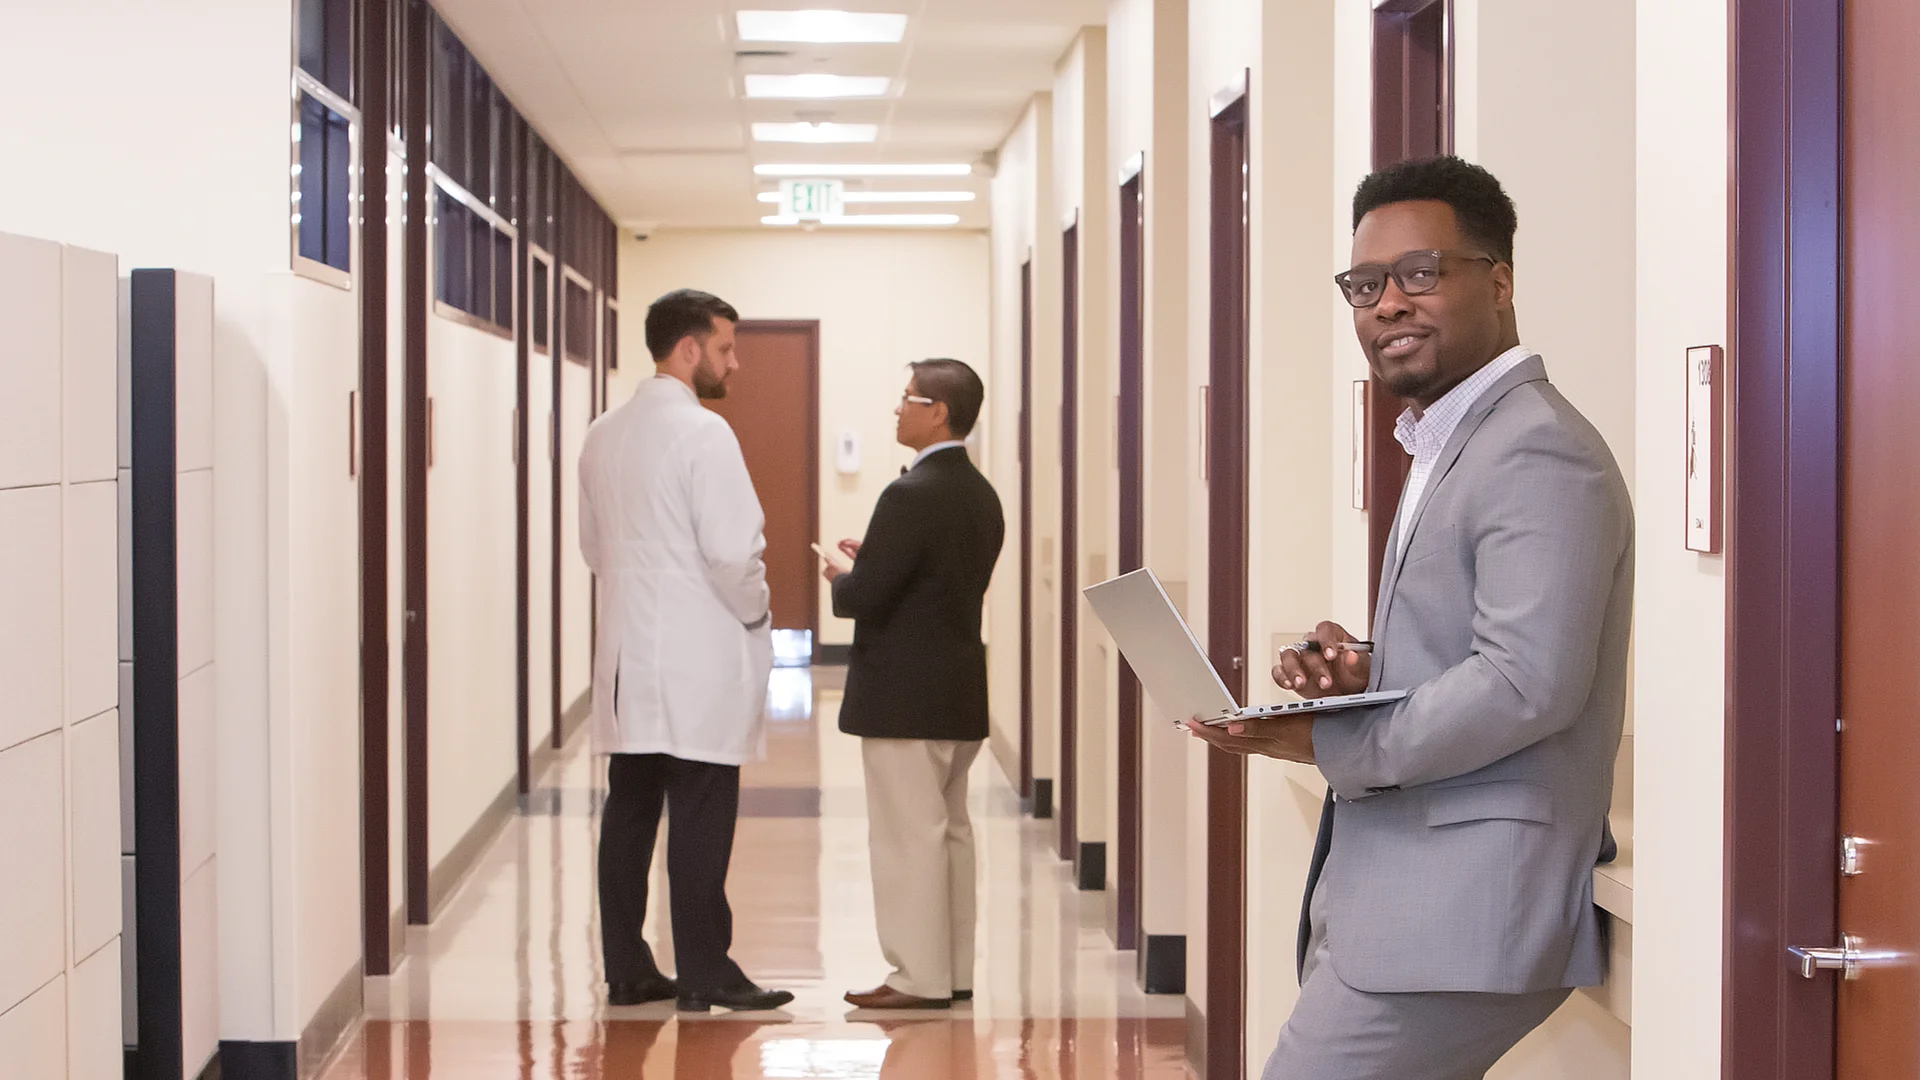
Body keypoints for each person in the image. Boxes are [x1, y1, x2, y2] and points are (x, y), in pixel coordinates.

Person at [1187, 156, 1633, 1079]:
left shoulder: (1538, 448)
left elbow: (1526, 682)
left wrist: (1330, 740)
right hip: (1412, 903)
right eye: (1365, 283)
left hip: (1462, 913)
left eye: (1420, 274)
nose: (1387, 303)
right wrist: (1369, 671)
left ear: (1499, 280)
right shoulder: (1453, 439)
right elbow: (1483, 647)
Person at [578, 288, 793, 1013]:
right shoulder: (705, 434)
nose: (735, 364)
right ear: (689, 348)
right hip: (698, 659)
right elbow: (734, 552)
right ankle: (704, 972)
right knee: (701, 813)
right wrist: (758, 611)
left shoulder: (602, 433)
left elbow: (591, 546)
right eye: (727, 348)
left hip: (625, 658)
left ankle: (629, 967)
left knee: (631, 811)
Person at [824, 359, 1006, 1011]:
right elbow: (935, 581)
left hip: (903, 698)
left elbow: (864, 598)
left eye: (907, 398)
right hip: (957, 690)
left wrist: (842, 576)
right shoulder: (979, 493)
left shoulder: (910, 493)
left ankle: (915, 977)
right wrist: (871, 562)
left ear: (938, 411)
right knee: (949, 834)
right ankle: (952, 971)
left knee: (908, 839)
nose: (897, 409)